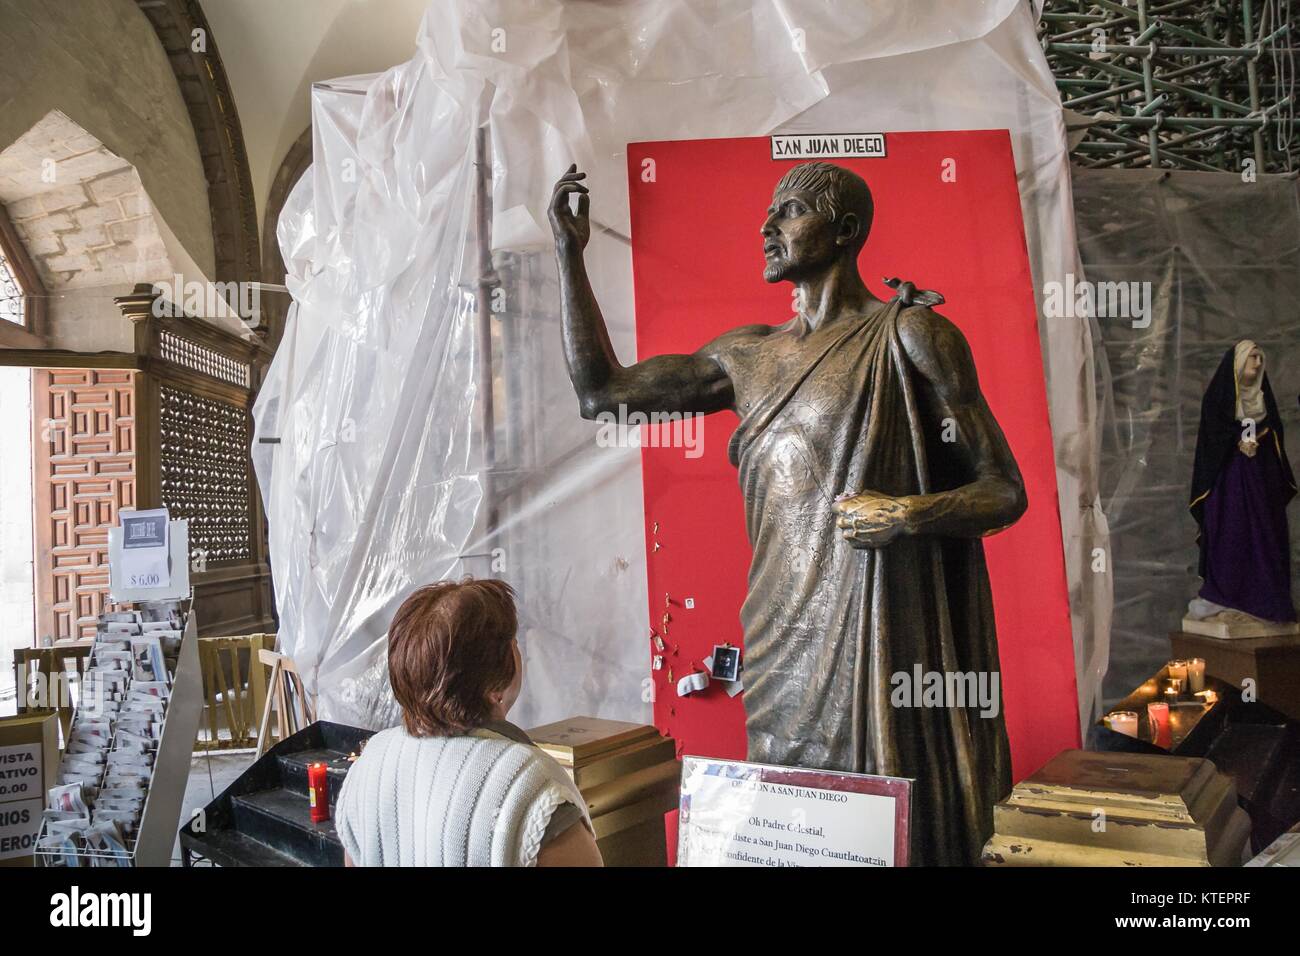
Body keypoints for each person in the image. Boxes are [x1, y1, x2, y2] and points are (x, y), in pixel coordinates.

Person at [550, 160, 1027, 866]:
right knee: (793, 831)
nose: (768, 226)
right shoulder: (746, 356)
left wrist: (908, 514)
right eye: (769, 213)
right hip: (781, 645)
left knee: (888, 827)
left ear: (846, 230)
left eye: (791, 211)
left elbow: (1004, 489)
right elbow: (603, 393)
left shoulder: (913, 336)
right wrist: (569, 254)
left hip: (879, 641)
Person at [336, 578, 603, 866]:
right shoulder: (530, 787)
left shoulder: (371, 763)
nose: (519, 651)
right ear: (497, 681)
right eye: (513, 644)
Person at [1189, 341, 1296, 623]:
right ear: (1237, 363)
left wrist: (1258, 446)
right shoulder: (1218, 401)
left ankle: (1266, 596)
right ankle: (1224, 595)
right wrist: (1236, 443)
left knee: (1266, 535)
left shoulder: (1264, 402)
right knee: (1231, 535)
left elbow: (1274, 437)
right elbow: (1210, 445)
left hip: (1261, 483)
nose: (1258, 364)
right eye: (1252, 358)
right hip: (1229, 486)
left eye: (1260, 358)